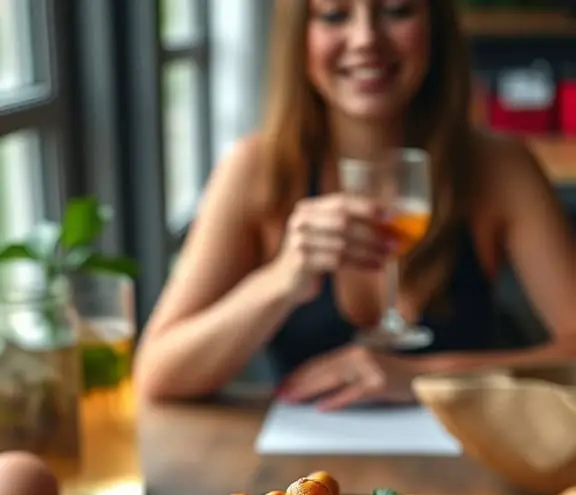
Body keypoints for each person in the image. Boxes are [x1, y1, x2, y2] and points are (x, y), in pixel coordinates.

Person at [135, 0, 576, 410]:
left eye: (397, 10)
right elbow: (157, 374)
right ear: (300, 38)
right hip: (302, 481)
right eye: (334, 15)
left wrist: (421, 377)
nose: (366, 39)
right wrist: (282, 279)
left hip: (470, 473)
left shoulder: (499, 167)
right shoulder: (254, 171)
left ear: (435, 27)